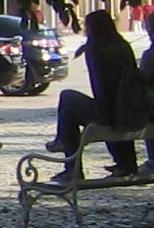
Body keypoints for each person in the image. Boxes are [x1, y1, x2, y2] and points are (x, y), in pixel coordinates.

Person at [48, 10, 143, 178]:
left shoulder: (96, 50)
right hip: (130, 108)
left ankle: (71, 165)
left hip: (111, 111)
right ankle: (126, 162)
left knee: (67, 101)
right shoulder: (122, 45)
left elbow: (101, 87)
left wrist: (106, 117)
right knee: (69, 104)